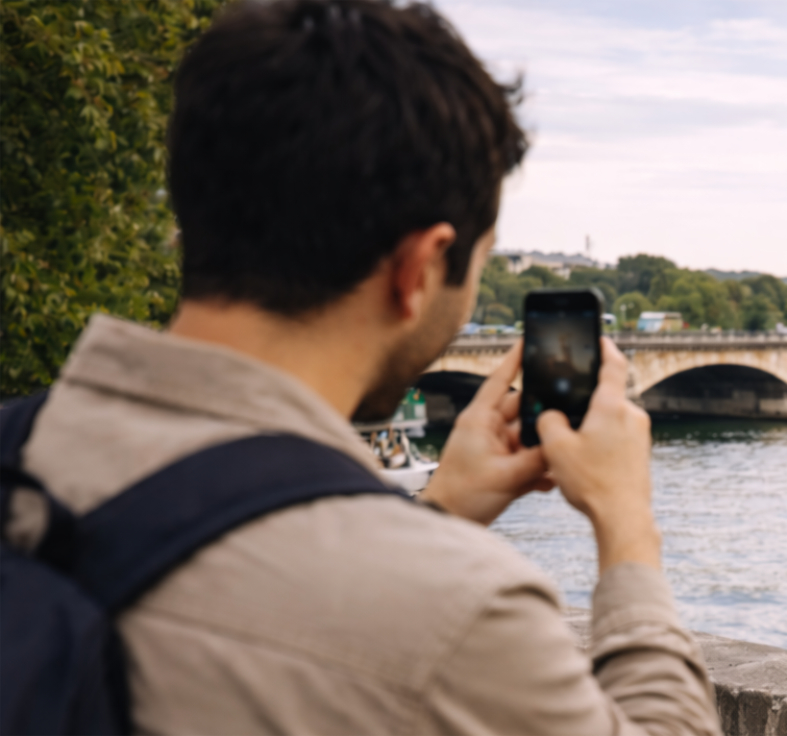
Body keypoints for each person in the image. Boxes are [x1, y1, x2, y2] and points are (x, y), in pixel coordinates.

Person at [7, 1, 719, 733]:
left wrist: (443, 509)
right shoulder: (462, 615)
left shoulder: (20, 457)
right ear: (417, 269)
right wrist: (627, 523)